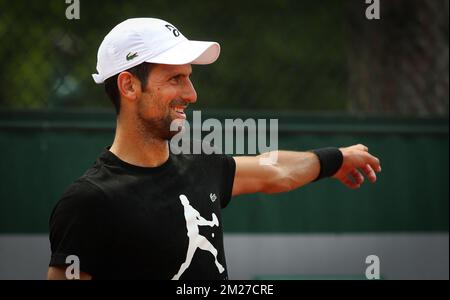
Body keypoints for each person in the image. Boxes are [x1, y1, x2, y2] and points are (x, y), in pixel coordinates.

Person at [47, 18, 381, 280]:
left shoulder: (200, 164)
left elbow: (274, 171)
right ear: (129, 85)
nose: (191, 94)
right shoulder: (88, 203)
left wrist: (336, 159)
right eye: (176, 78)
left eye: (189, 78)